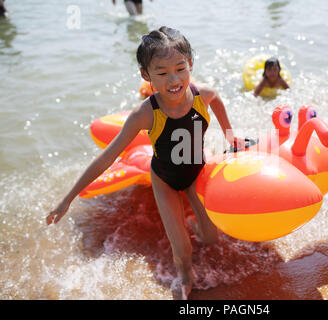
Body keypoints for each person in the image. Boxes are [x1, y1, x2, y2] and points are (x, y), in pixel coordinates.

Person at [46, 26, 245, 300]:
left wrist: (232, 138)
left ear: (191, 65)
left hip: (196, 170)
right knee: (183, 250)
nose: (173, 79)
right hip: (164, 179)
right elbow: (108, 156)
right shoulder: (145, 114)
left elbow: (219, 102)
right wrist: (67, 198)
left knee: (211, 238)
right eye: (162, 73)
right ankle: (185, 280)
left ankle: (197, 220)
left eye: (180, 68)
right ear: (146, 75)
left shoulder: (203, 96)